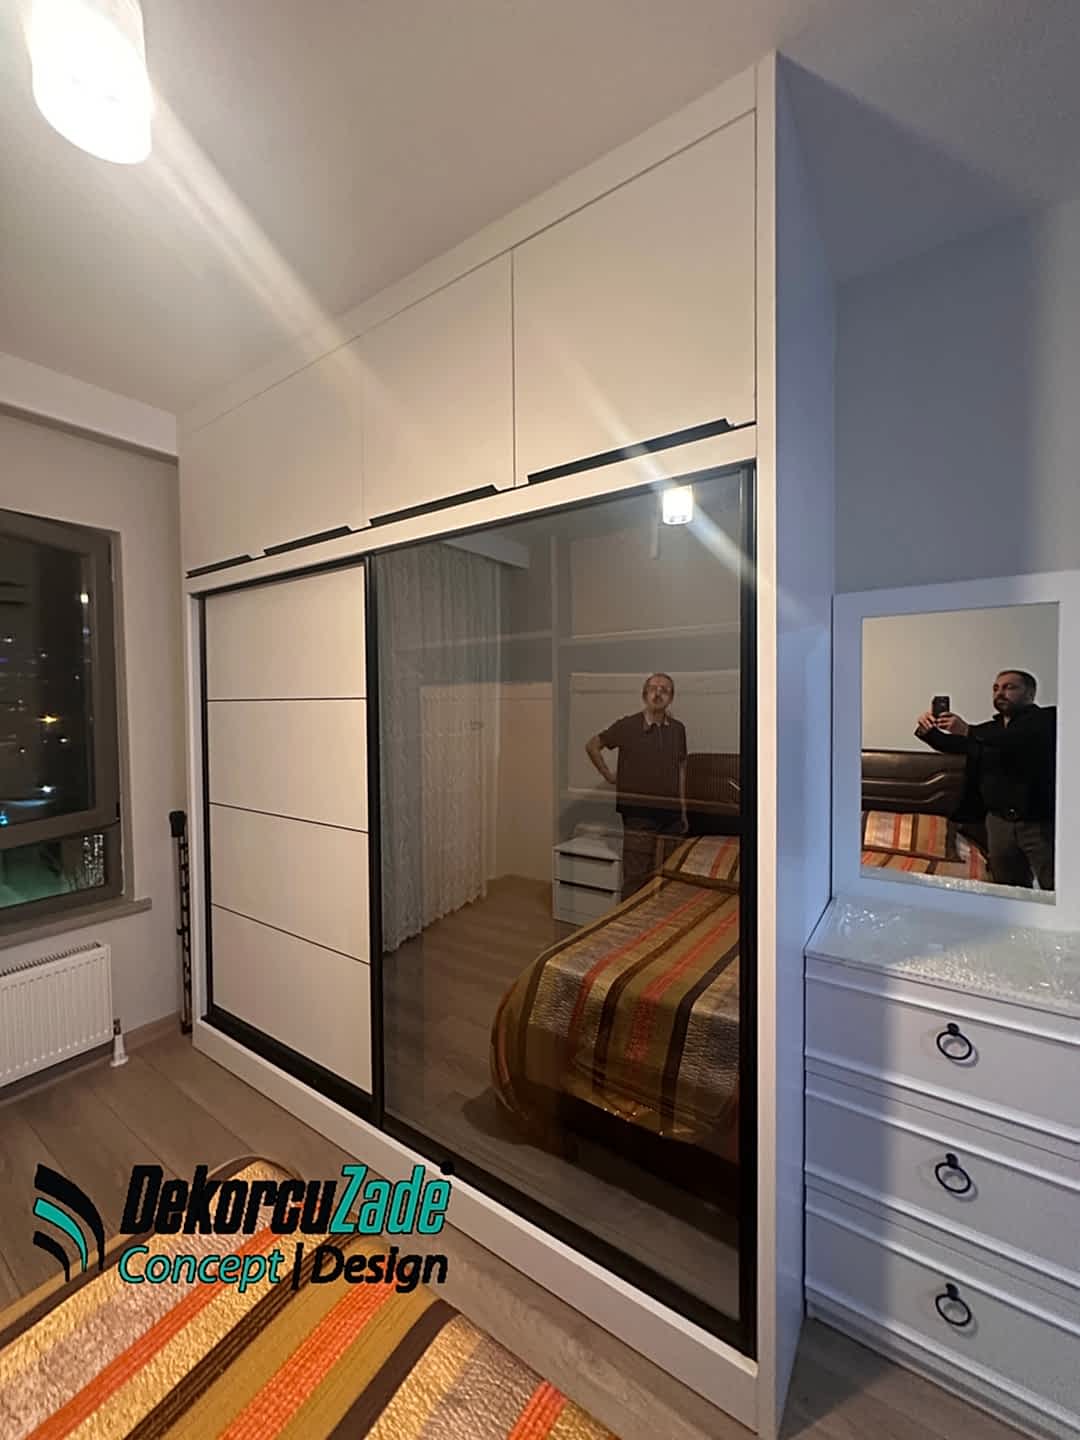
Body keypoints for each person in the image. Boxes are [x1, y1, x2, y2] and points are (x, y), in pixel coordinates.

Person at [914, 670, 1056, 890]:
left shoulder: (1047, 719)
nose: (1000, 693)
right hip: (998, 822)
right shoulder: (989, 730)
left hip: (1039, 822)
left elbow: (1015, 739)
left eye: (1009, 687)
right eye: (996, 688)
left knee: (1057, 885)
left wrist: (968, 730)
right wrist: (927, 730)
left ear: (1030, 694)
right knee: (1007, 888)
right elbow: (956, 744)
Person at [585, 673, 688, 899]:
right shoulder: (627, 726)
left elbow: (681, 768)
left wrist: (683, 810)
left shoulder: (678, 729)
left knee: (669, 875)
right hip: (639, 815)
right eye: (653, 688)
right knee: (636, 876)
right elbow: (592, 746)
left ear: (671, 698)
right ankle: (630, 919)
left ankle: (658, 918)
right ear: (644, 694)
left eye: (665, 690)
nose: (658, 693)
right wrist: (608, 775)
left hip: (671, 816)